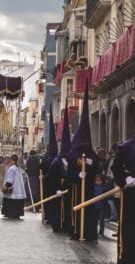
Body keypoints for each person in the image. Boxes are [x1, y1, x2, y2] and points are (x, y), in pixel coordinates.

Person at [66, 87, 98, 241]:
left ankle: (89, 232)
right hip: (77, 188)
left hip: (89, 188)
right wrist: (78, 174)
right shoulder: (73, 153)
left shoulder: (92, 153)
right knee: (77, 210)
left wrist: (91, 167)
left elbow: (97, 168)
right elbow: (71, 166)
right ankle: (76, 230)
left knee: (90, 210)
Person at [47, 101, 71, 233]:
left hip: (68, 191)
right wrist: (56, 188)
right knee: (57, 209)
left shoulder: (71, 160)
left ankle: (66, 225)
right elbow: (51, 176)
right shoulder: (56, 162)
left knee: (67, 208)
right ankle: (57, 225)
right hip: (58, 190)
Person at [111, 132, 135, 264]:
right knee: (131, 232)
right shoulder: (126, 147)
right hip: (132, 198)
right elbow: (116, 167)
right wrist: (125, 179)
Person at [1, 155, 26, 219]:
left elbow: (10, 179)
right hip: (19, 189)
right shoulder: (18, 168)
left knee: (10, 201)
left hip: (13, 189)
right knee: (17, 203)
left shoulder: (12, 168)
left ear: (11, 160)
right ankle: (16, 214)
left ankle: (10, 213)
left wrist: (6, 186)